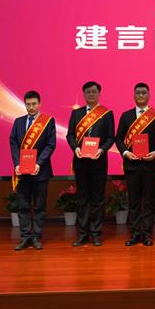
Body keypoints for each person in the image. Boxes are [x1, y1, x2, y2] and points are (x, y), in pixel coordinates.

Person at [116, 82, 155, 246]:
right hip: (131, 165)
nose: (141, 95)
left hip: (149, 165)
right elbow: (118, 138)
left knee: (149, 200)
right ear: (133, 96)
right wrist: (125, 152)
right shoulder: (126, 116)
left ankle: (146, 233)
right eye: (138, 93)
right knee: (134, 201)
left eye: (144, 93)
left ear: (149, 95)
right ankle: (135, 233)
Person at [65, 81, 115, 247]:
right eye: (88, 92)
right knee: (82, 198)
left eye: (94, 92)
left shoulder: (107, 114)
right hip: (81, 161)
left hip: (98, 162)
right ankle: (82, 233)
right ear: (84, 94)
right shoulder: (77, 113)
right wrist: (76, 148)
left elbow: (110, 137)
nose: (91, 94)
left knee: (98, 198)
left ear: (99, 93)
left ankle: (95, 233)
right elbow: (70, 135)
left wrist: (101, 150)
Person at [8, 90, 56, 250]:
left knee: (39, 206)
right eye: (28, 104)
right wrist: (17, 163)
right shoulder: (18, 122)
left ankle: (36, 236)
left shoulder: (48, 121)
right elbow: (13, 143)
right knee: (23, 205)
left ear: (39, 104)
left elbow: (51, 145)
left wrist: (38, 163)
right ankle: (25, 237)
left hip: (40, 171)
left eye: (34, 104)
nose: (31, 107)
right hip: (22, 171)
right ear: (25, 104)